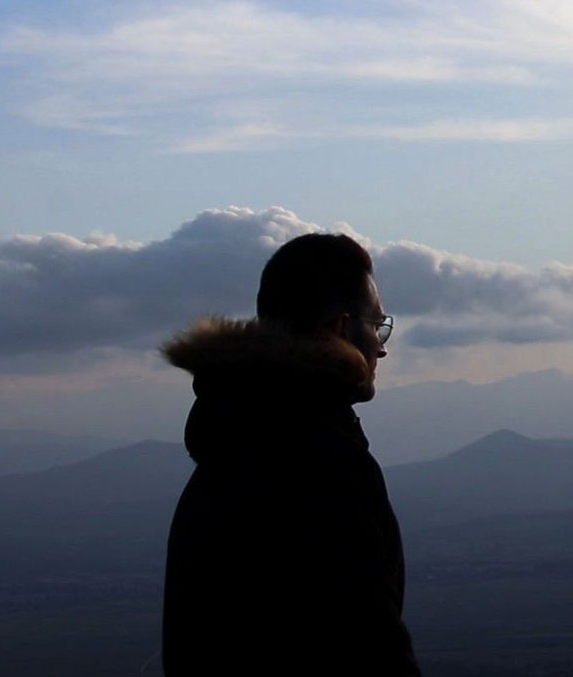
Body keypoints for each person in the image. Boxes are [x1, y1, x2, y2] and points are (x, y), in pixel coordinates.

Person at [161, 232, 420, 675]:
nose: (381, 346)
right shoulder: (323, 461)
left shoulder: (228, 442)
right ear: (342, 329)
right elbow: (366, 641)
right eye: (377, 326)